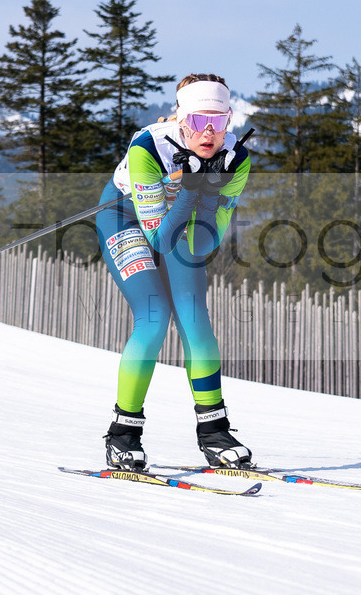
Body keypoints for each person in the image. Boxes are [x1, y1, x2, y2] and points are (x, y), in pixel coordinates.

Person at [94, 73, 252, 471]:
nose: (210, 132)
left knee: (195, 318)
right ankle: (123, 433)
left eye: (221, 121)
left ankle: (214, 431)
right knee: (153, 317)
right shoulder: (149, 147)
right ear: (180, 120)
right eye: (199, 122)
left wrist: (211, 191)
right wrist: (191, 191)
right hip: (125, 215)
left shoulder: (237, 159)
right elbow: (159, 241)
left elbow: (204, 243)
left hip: (186, 220)